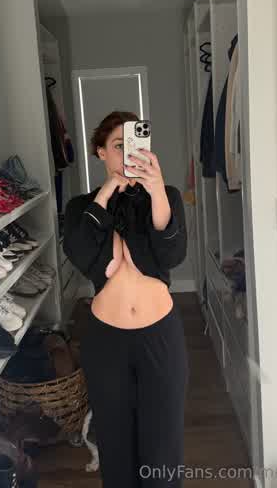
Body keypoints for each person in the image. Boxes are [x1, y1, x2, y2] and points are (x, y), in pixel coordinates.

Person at [63, 110, 189, 487]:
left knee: (163, 445)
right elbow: (81, 253)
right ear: (100, 152)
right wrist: (106, 193)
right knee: (115, 443)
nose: (127, 154)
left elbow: (172, 255)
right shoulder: (82, 207)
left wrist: (155, 190)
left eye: (134, 145)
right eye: (118, 146)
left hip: (159, 335)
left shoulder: (164, 196)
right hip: (106, 340)